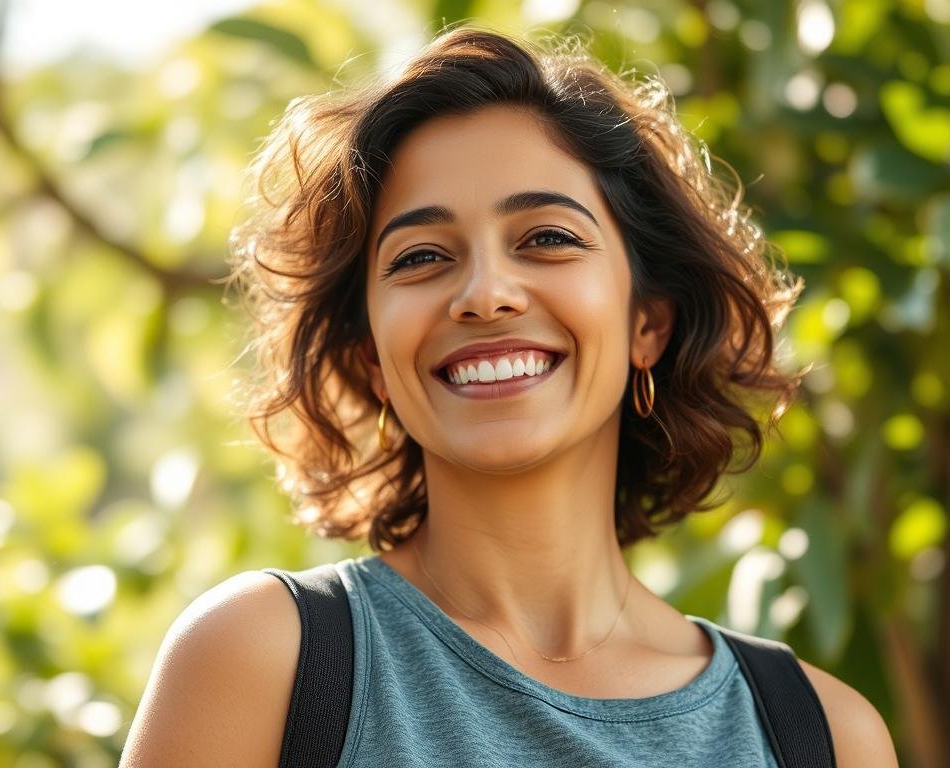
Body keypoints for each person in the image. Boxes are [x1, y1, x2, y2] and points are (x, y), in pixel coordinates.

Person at [118, 23, 899, 768]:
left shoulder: (825, 738)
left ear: (647, 323)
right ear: (372, 362)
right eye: (422, 256)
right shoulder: (261, 663)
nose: (485, 294)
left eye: (547, 238)